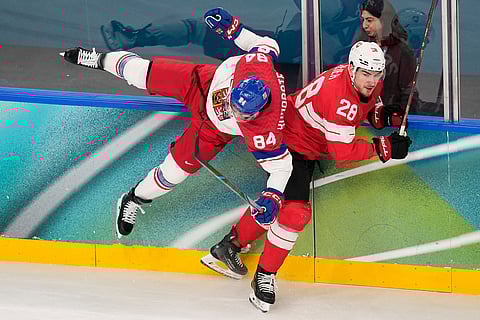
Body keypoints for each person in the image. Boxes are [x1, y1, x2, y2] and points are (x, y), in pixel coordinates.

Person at [201, 40, 412, 312]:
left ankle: (229, 246)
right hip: (292, 144)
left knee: (277, 207)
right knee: (294, 213)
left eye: (376, 74)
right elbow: (343, 153)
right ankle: (264, 276)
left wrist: (381, 115)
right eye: (366, 74)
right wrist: (383, 147)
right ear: (352, 69)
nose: (372, 81)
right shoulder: (340, 99)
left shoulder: (359, 80)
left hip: (305, 141)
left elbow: (365, 106)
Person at [60, 8, 294, 242]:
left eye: (241, 114)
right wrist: (233, 28)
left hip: (212, 131)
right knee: (140, 73)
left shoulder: (267, 130)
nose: (231, 111)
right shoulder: (258, 64)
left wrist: (273, 196)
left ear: (259, 111)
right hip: (203, 82)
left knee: (172, 174)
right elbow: (265, 42)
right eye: (234, 104)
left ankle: (133, 198)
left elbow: (282, 167)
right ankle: (98, 59)